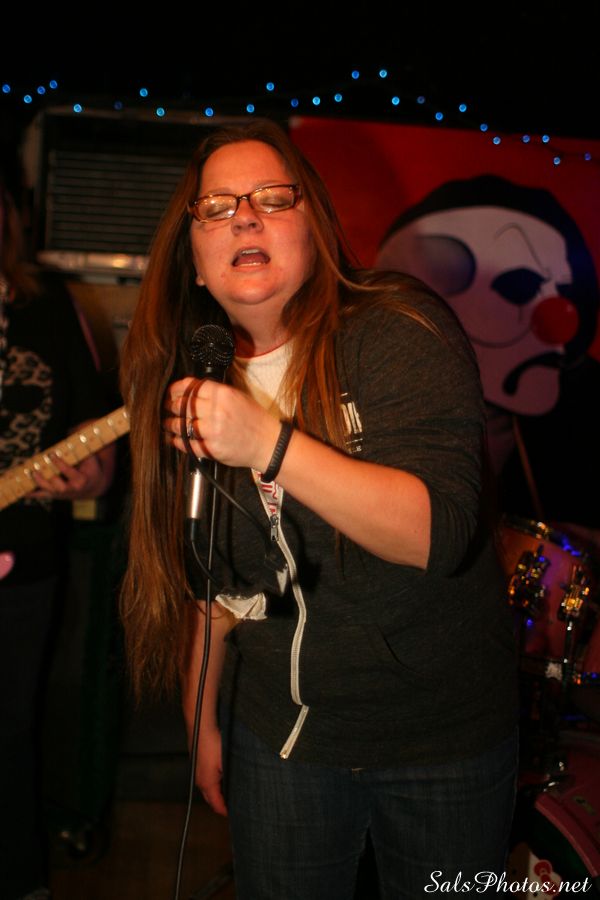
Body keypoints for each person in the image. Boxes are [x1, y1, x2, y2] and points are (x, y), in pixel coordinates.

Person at [119, 119, 519, 899]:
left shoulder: (398, 327)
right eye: (218, 207)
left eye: (273, 198)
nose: (245, 217)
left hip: (441, 742)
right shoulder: (192, 380)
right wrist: (201, 723)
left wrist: (266, 443)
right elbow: (216, 586)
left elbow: (435, 534)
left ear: (316, 230)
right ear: (195, 260)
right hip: (284, 739)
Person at [0, 175, 115, 900]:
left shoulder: (52, 306)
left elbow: (96, 429)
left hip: (24, 565)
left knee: (10, 733)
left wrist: (91, 474)